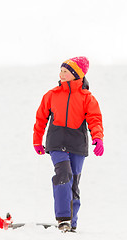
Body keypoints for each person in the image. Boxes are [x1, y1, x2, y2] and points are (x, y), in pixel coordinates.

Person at [33, 56, 104, 232]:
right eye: (61, 70)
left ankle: (72, 222)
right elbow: (40, 119)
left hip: (77, 144)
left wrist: (98, 137)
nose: (61, 74)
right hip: (56, 143)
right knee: (63, 174)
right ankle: (63, 219)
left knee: (73, 182)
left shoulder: (87, 98)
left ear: (76, 74)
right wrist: (37, 140)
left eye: (66, 71)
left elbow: (95, 119)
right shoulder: (51, 95)